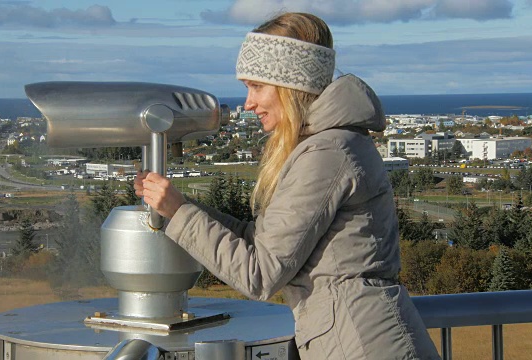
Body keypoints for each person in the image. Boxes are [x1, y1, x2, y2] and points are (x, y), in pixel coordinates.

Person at [135, 12, 440, 360]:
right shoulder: (329, 145)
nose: (248, 103)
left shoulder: (327, 152)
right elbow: (262, 244)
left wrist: (179, 211)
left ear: (291, 87)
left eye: (256, 86)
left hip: (364, 345)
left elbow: (260, 274)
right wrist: (178, 206)